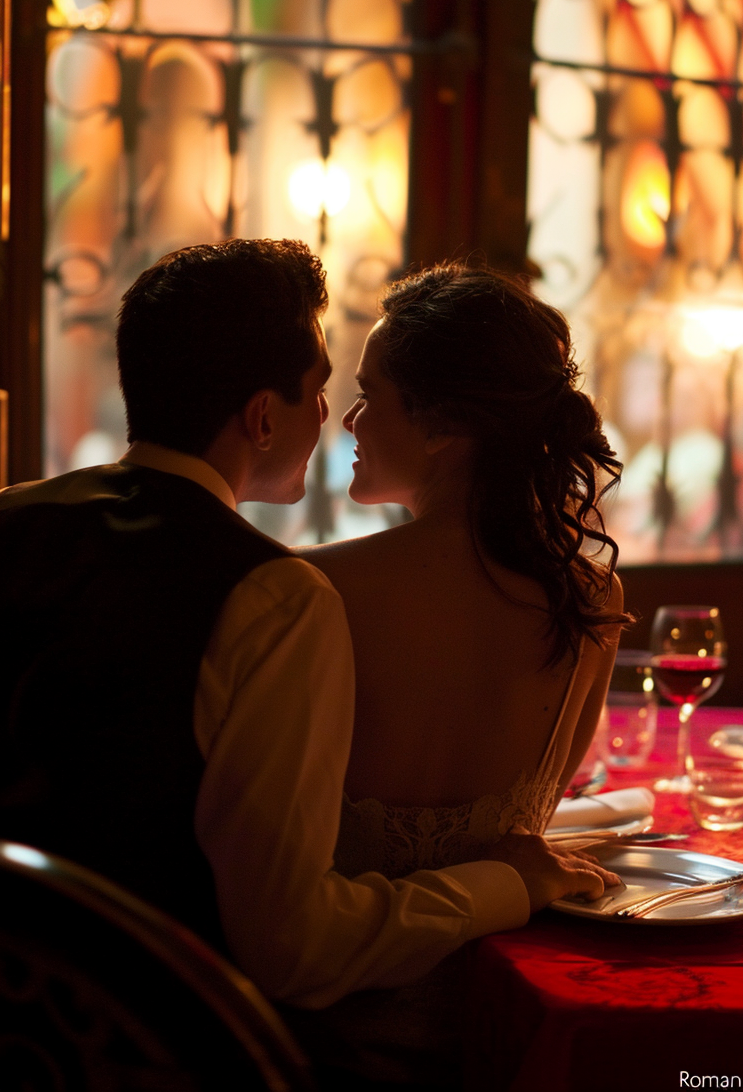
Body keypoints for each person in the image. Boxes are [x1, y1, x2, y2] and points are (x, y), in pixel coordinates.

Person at [0, 238, 614, 1019]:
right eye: (323, 391)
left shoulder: (11, 518)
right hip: (173, 1038)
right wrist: (505, 880)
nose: (337, 418)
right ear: (263, 416)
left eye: (361, 394)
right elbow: (289, 940)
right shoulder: (279, 597)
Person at [297, 262, 630, 1083]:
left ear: (442, 426)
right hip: (505, 1033)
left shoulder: (318, 593)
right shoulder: (590, 600)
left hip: (325, 1041)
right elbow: (527, 833)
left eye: (371, 393)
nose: (350, 417)